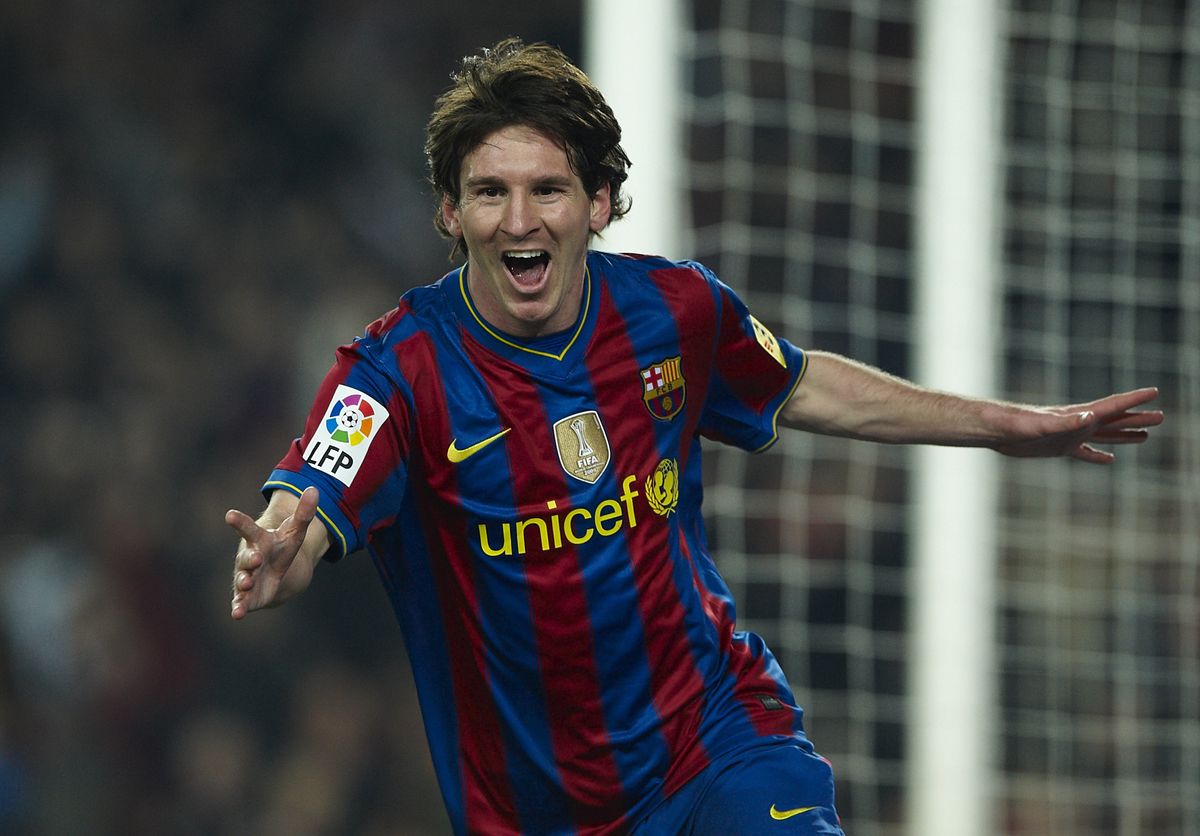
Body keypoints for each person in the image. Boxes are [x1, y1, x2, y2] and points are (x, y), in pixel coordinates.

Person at [225, 38, 1162, 835]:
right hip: (535, 808)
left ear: (597, 202)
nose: (519, 220)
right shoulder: (396, 371)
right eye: (489, 192)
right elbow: (312, 494)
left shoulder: (673, 313)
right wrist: (285, 553)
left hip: (714, 740)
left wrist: (1001, 427)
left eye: (548, 189)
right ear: (449, 212)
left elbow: (801, 384)